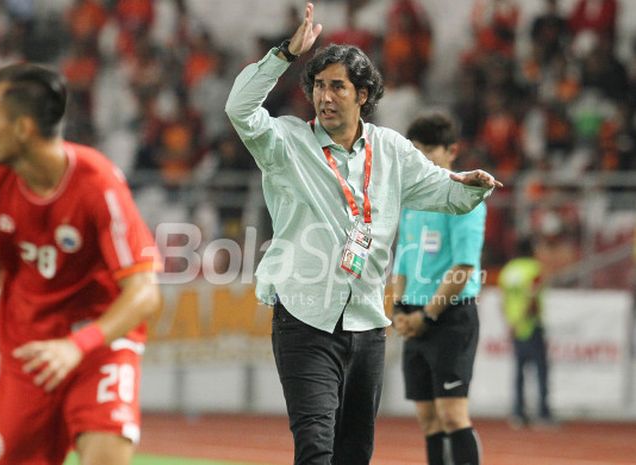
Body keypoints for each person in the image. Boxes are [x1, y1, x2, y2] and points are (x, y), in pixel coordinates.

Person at [225, 4, 501, 464]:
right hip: (304, 318)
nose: (324, 96)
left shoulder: (390, 149)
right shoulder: (286, 143)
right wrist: (283, 55)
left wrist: (471, 186)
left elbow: (440, 190)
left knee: (355, 452)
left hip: (367, 323)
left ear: (363, 94)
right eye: (318, 85)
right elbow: (238, 108)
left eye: (337, 86)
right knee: (315, 446)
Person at [0, 63, 162, 465]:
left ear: (22, 128)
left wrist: (79, 345)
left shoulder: (98, 183)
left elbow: (145, 294)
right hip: (29, 353)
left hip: (99, 346)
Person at [392, 113, 486, 465]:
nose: (423, 157)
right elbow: (402, 260)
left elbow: (463, 268)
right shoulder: (412, 199)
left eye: (430, 148)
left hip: (449, 318)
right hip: (415, 316)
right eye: (416, 150)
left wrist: (427, 317)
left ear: (452, 151)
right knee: (429, 420)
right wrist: (400, 309)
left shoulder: (466, 199)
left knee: (452, 415)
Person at [498, 238, 554, 428]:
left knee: (519, 371)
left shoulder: (507, 271)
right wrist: (525, 318)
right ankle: (543, 413)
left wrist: (511, 323)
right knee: (541, 370)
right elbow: (532, 297)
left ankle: (518, 412)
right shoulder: (534, 269)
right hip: (531, 325)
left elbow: (503, 300)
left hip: (515, 326)